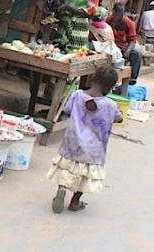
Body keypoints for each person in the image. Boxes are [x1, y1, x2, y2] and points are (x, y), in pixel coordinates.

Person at [47, 66, 122, 213]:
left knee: (67, 168)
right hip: (94, 149)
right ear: (111, 87)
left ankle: (62, 188)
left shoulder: (77, 95)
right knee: (86, 175)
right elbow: (118, 118)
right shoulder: (110, 105)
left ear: (93, 78)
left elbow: (67, 110)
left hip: (72, 142)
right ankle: (75, 202)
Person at [107, 3, 142, 84]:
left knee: (137, 54)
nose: (118, 16)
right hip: (110, 47)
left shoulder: (129, 23)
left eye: (120, 14)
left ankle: (132, 78)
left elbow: (132, 41)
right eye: (117, 13)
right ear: (113, 12)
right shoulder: (109, 20)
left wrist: (127, 51)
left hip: (123, 48)